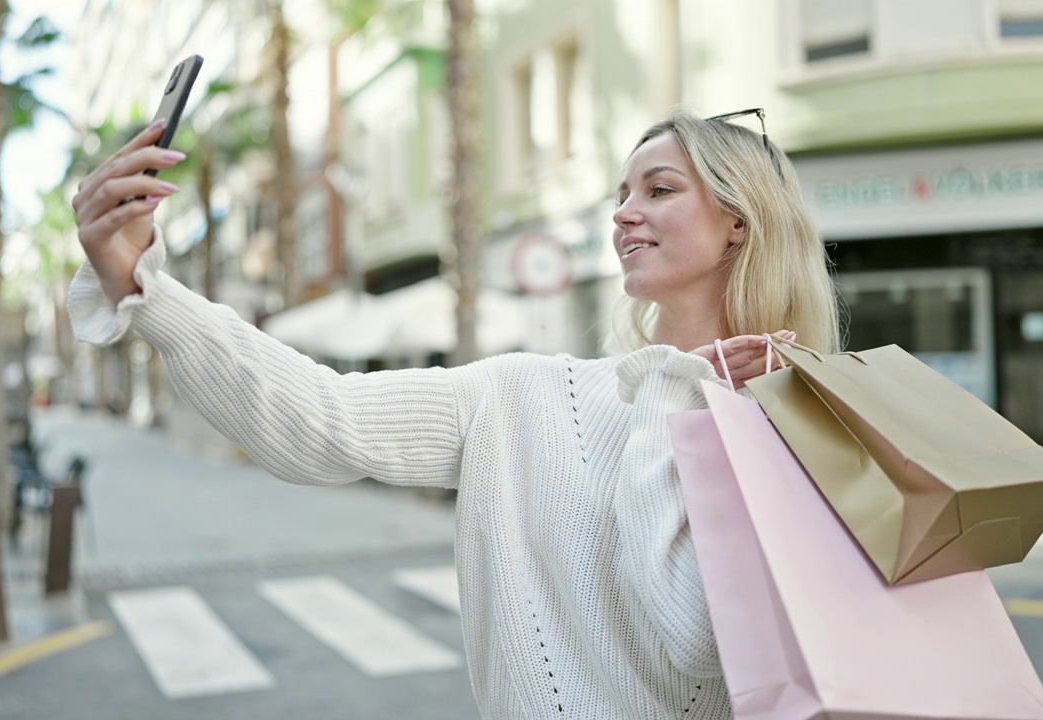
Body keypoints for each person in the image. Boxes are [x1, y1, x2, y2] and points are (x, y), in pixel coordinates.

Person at [69, 109, 839, 719]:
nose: (624, 216)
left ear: (740, 220)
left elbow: (695, 639)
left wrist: (681, 393)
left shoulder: (803, 418)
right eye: (620, 196)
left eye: (659, 190)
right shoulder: (523, 396)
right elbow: (321, 420)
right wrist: (148, 290)